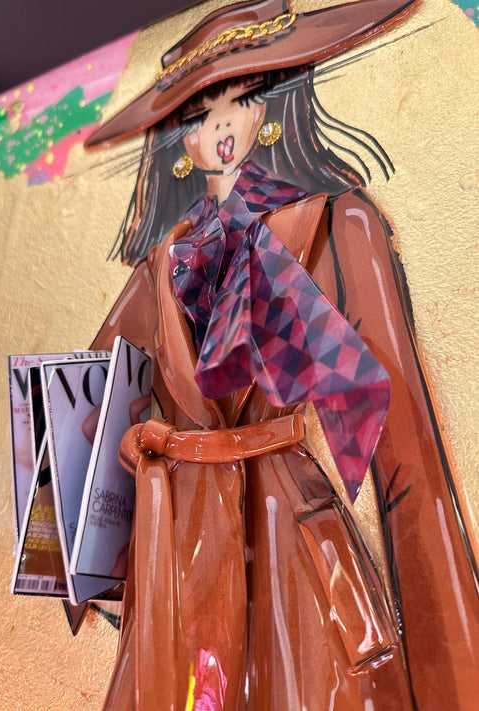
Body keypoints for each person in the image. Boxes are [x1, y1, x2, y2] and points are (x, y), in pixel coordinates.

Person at [88, 0, 479, 708]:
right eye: (196, 113)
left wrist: (454, 677)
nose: (218, 126)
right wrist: (129, 455)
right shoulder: (164, 261)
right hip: (185, 551)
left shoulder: (333, 224)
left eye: (238, 99)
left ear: (272, 105)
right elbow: (84, 399)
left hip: (292, 552)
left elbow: (405, 462)